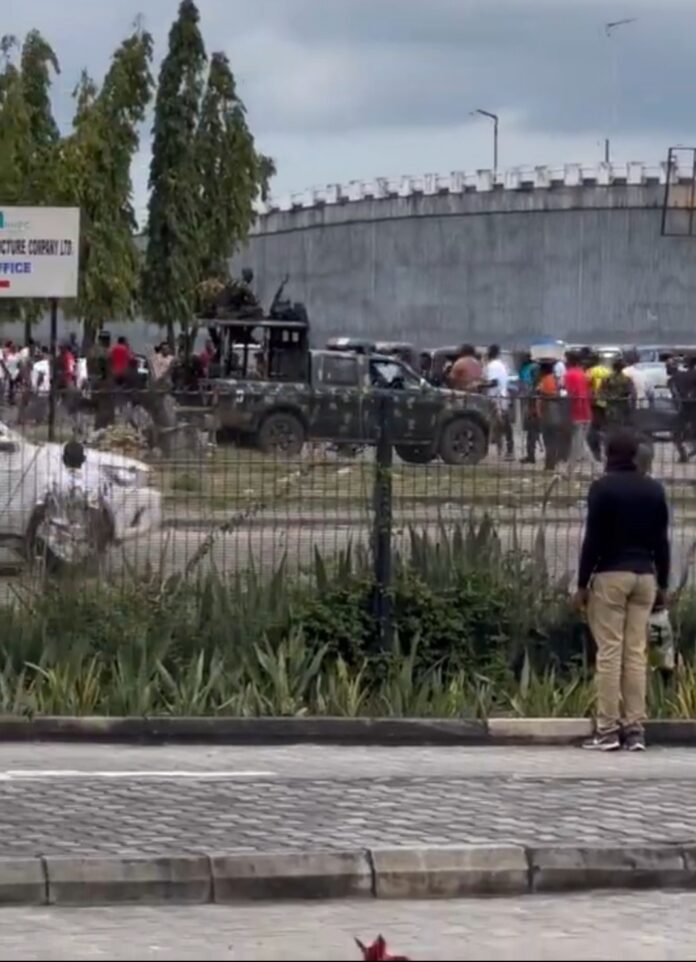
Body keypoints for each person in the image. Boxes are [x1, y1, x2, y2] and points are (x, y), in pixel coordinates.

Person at [575, 429, 670, 752]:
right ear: (634, 456)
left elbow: (593, 539)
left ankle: (607, 729)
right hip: (645, 577)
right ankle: (635, 729)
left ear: (608, 454)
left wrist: (582, 583)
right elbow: (662, 542)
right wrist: (664, 583)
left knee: (610, 653)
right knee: (635, 654)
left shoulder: (602, 489)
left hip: (611, 575)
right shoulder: (654, 490)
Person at [564, 351, 592, 476]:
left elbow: (571, 393)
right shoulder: (582, 373)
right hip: (586, 410)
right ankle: (570, 470)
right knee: (580, 442)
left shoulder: (569, 375)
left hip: (576, 411)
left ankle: (596, 468)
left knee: (577, 443)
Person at [485, 344, 514, 459]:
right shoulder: (501, 365)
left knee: (502, 424)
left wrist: (479, 385)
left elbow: (494, 382)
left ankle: (507, 450)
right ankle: (503, 449)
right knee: (501, 425)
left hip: (497, 398)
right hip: (502, 397)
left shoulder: (493, 366)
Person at [536, 359, 564, 471]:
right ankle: (553, 462)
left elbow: (544, 395)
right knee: (553, 440)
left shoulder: (545, 380)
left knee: (549, 440)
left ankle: (550, 465)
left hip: (548, 414)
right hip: (556, 413)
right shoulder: (555, 379)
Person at [586, 352, 610, 462]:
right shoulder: (607, 371)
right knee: (605, 428)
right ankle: (607, 452)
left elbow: (587, 385)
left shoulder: (590, 372)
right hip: (606, 403)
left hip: (594, 403)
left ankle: (597, 454)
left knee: (594, 429)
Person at [518, 352, 540, 464]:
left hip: (533, 403)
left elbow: (529, 386)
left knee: (533, 430)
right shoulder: (527, 368)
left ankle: (531, 455)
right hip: (529, 401)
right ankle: (530, 454)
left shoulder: (532, 368)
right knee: (532, 431)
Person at [601, 358, 635, 428]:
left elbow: (630, 391)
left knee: (615, 421)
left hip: (618, 403)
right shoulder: (610, 378)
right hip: (616, 403)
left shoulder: (624, 378)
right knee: (616, 421)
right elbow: (603, 389)